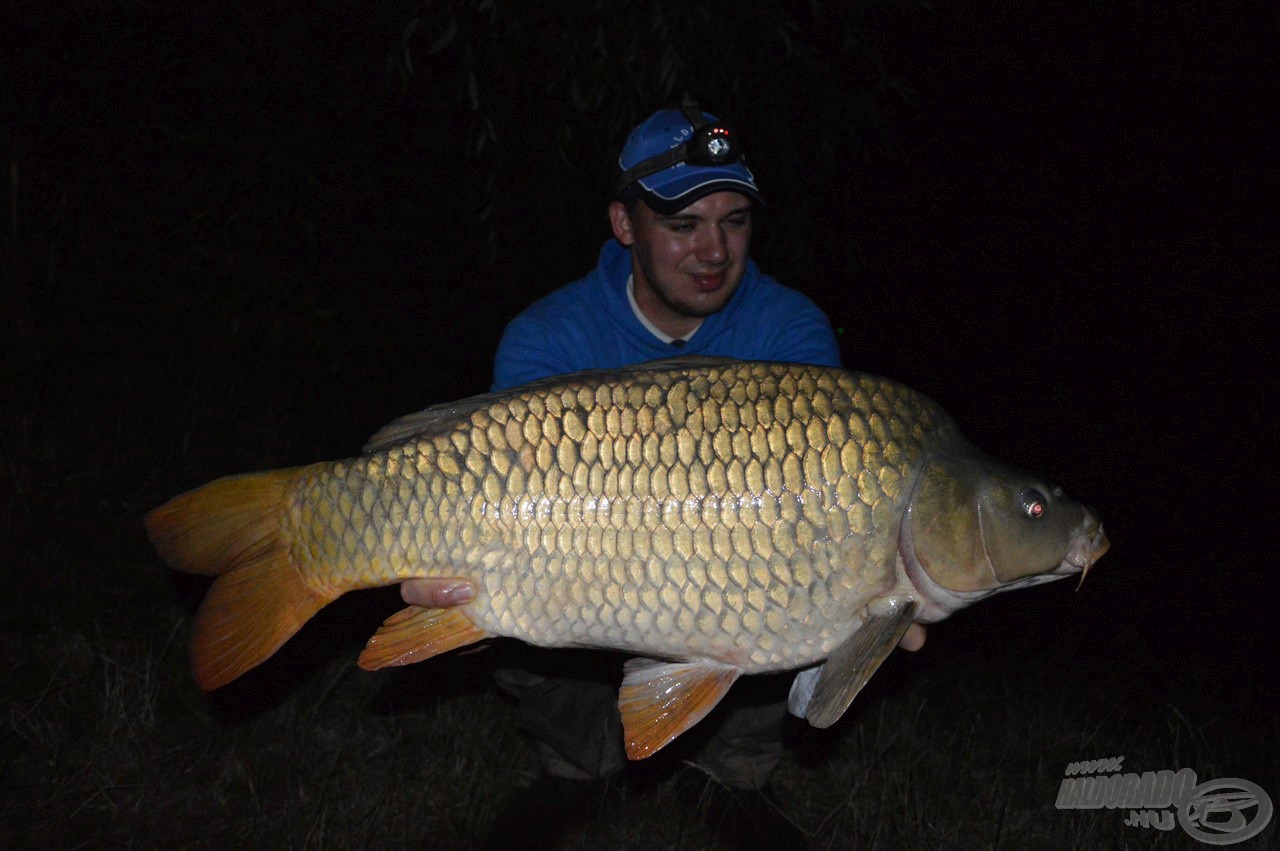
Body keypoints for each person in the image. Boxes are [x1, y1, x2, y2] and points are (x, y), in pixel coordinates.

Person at [403, 101, 925, 849]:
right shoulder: (548, 337)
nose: (714, 250)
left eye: (734, 220)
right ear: (625, 225)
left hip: (732, 591)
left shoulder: (790, 330)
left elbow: (812, 531)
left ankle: (730, 775)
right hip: (573, 594)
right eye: (683, 225)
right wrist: (460, 602)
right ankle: (577, 766)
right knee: (510, 628)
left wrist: (876, 601)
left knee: (787, 611)